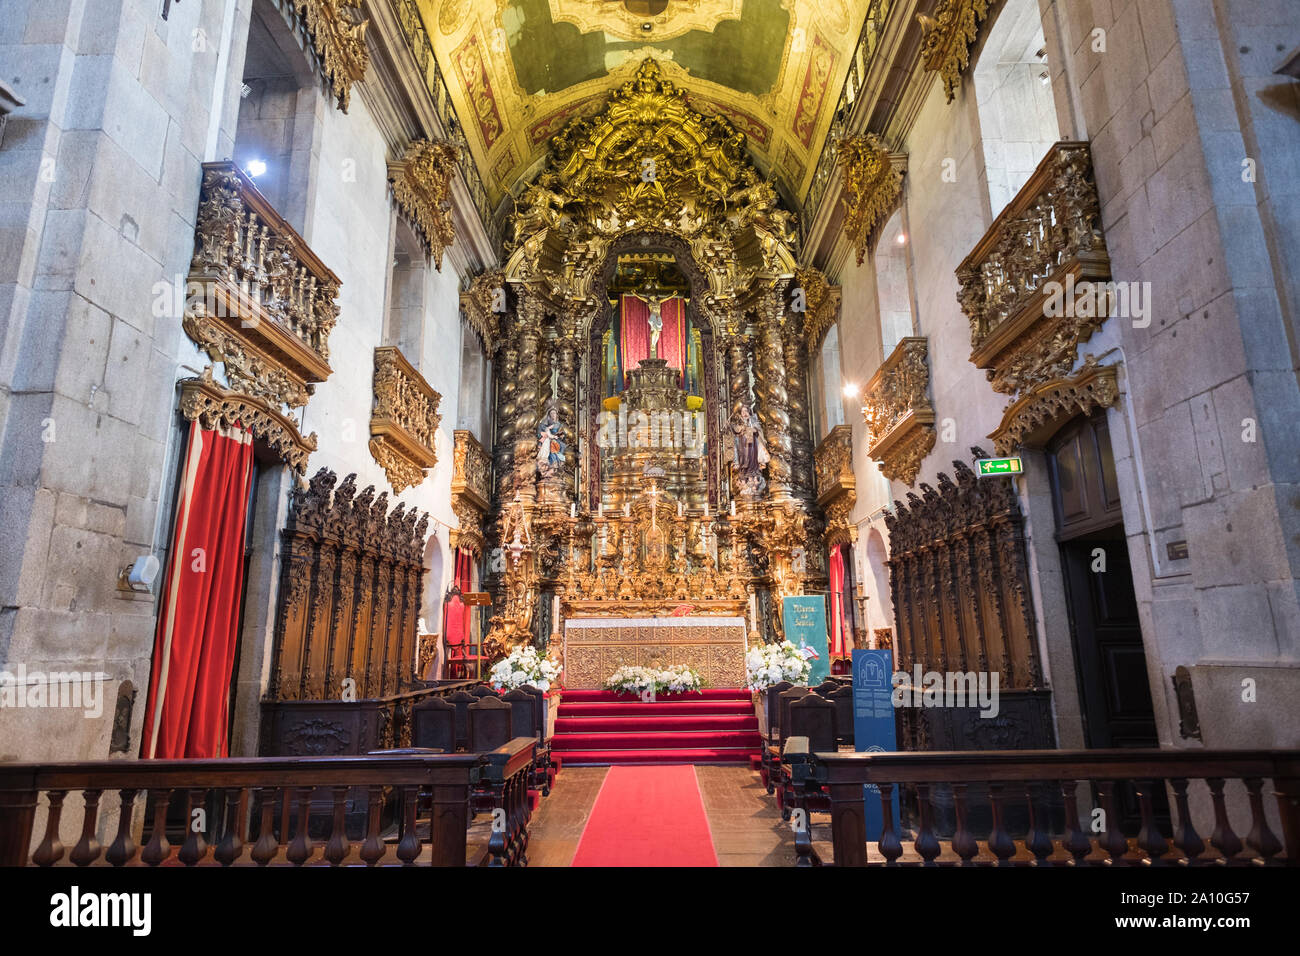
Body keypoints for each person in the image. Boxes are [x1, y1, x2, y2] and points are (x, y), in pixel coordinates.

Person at [536, 406, 566, 477]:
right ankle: (548, 467)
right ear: (549, 415)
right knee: (549, 450)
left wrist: (561, 435)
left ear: (556, 415)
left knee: (560, 447)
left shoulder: (559, 425)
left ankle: (556, 467)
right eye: (551, 413)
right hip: (549, 440)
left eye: (554, 413)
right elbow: (541, 433)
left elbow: (563, 434)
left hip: (557, 440)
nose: (553, 415)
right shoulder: (546, 424)